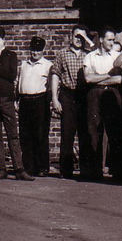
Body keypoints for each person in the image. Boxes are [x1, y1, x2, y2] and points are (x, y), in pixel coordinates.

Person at [0, 27, 33, 180]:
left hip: (7, 100)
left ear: (3, 40)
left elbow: (11, 75)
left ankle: (19, 169)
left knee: (13, 135)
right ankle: (1, 168)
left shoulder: (11, 55)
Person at [50, 24, 94, 179]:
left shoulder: (90, 54)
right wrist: (55, 98)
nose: (78, 39)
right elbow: (55, 74)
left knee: (85, 133)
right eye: (76, 36)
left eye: (82, 37)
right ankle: (66, 171)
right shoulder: (62, 54)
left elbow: (97, 50)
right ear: (71, 36)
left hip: (84, 95)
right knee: (67, 134)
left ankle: (86, 171)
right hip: (68, 95)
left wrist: (88, 40)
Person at [83, 26, 122, 181]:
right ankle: (95, 170)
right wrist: (108, 75)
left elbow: (119, 79)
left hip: (112, 93)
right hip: (94, 94)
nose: (112, 43)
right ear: (101, 40)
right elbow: (88, 78)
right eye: (109, 40)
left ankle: (117, 171)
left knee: (115, 131)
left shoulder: (117, 56)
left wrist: (99, 77)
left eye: (113, 40)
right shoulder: (90, 57)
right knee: (94, 131)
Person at [17, 36, 52, 177]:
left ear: (43, 50)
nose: (35, 52)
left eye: (38, 50)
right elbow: (19, 82)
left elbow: (50, 86)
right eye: (33, 49)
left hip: (40, 101)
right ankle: (29, 167)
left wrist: (49, 102)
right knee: (25, 135)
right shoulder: (24, 65)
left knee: (40, 134)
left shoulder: (48, 65)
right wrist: (17, 99)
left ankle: (42, 167)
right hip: (25, 100)